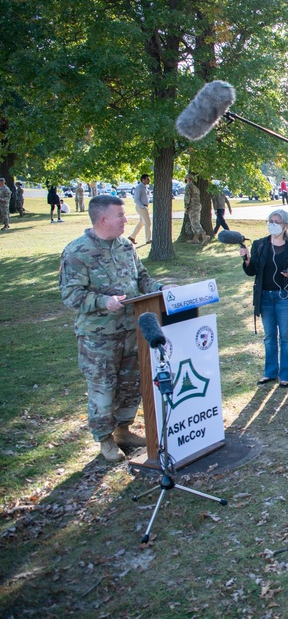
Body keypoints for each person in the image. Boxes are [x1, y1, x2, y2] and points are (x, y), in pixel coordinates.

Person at [59, 195, 172, 462]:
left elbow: (141, 278)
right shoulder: (77, 251)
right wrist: (103, 302)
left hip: (132, 330)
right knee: (103, 388)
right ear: (103, 219)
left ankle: (123, 430)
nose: (126, 220)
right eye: (120, 216)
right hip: (99, 338)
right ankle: (105, 439)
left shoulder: (125, 246)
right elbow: (71, 295)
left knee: (131, 384)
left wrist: (161, 288)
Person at [240, 210, 288, 388]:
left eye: (276, 221)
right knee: (269, 337)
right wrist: (246, 259)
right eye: (270, 221)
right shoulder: (260, 244)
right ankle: (270, 372)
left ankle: (286, 375)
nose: (272, 224)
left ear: (285, 225)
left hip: (284, 297)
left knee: (286, 336)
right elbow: (252, 270)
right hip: (265, 297)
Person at [127, 174, 152, 245]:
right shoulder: (139, 187)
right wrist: (142, 207)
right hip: (141, 207)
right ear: (143, 180)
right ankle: (148, 239)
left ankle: (132, 237)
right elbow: (136, 199)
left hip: (145, 206)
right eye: (147, 179)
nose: (149, 180)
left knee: (142, 222)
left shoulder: (145, 188)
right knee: (148, 222)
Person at [184, 174, 209, 244]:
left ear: (188, 179)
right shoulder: (195, 187)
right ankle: (195, 239)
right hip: (197, 205)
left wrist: (186, 206)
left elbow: (187, 197)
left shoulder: (188, 186)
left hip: (192, 206)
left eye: (186, 178)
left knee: (194, 222)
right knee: (195, 221)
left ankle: (204, 235)